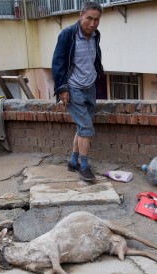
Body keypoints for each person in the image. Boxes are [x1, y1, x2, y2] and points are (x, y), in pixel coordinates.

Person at [51, 1, 104, 181]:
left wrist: (98, 72)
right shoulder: (67, 34)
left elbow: (95, 57)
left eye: (96, 20)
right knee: (87, 128)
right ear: (81, 15)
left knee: (82, 127)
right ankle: (84, 165)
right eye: (89, 18)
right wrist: (62, 88)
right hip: (73, 88)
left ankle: (73, 161)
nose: (92, 23)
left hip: (90, 86)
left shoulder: (96, 35)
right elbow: (57, 63)